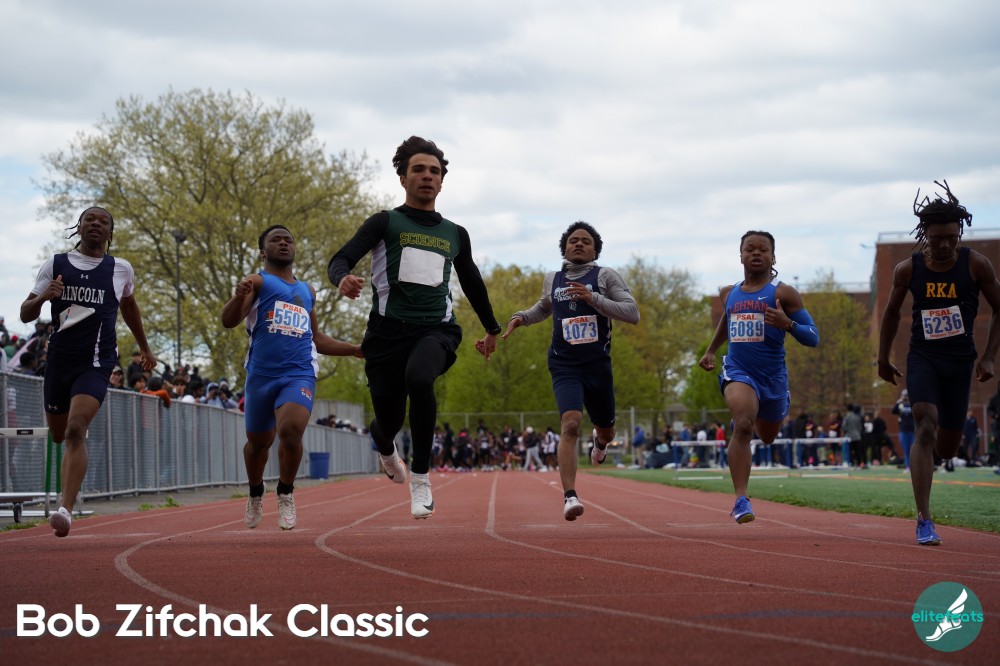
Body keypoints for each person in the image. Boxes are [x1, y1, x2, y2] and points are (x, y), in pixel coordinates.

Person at [326, 136, 501, 520]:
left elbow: (472, 282)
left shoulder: (455, 233)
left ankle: (421, 477)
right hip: (386, 334)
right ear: (403, 178)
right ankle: (386, 447)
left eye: (434, 171)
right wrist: (342, 279)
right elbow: (341, 258)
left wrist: (492, 328)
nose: (427, 176)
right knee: (387, 421)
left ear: (442, 182)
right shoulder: (385, 222)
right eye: (418, 170)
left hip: (436, 330)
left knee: (421, 378)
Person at [19, 206, 156, 537]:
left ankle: (65, 510)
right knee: (59, 434)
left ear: (110, 232)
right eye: (89, 220)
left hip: (96, 361)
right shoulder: (56, 264)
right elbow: (25, 313)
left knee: (76, 429)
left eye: (103, 221)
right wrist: (45, 297)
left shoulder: (120, 268)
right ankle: (67, 493)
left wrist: (145, 347)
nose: (96, 224)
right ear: (78, 228)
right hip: (59, 361)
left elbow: (129, 307)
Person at [877, 180, 1000, 546]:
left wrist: (989, 356)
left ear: (959, 233)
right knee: (925, 426)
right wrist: (882, 358)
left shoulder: (976, 264)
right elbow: (890, 313)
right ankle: (924, 519)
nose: (944, 245)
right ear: (924, 235)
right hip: (923, 357)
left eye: (951, 237)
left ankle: (935, 457)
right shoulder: (908, 269)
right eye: (936, 239)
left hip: (960, 363)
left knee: (946, 449)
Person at [223, 224, 363, 530]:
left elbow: (316, 338)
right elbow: (228, 321)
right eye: (276, 240)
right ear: (263, 251)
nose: (284, 243)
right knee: (258, 444)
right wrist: (237, 298)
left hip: (298, 373)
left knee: (291, 431)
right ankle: (256, 491)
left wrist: (354, 349)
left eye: (289, 240)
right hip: (261, 375)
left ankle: (285, 492)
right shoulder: (257, 282)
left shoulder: (307, 291)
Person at [503, 221, 640, 520]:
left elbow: (632, 313)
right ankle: (570, 496)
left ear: (595, 250)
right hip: (564, 364)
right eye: (573, 240)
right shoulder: (553, 279)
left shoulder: (604, 276)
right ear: (564, 248)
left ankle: (600, 443)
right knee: (570, 424)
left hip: (597, 365)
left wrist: (593, 299)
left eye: (586, 241)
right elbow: (544, 307)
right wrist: (521, 318)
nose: (579, 244)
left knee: (607, 430)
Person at [699, 230, 819, 524]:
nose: (756, 253)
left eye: (763, 249)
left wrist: (788, 324)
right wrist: (711, 350)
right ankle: (741, 499)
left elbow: (813, 337)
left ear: (773, 257)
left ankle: (754, 412)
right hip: (738, 370)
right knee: (743, 425)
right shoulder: (728, 293)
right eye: (749, 249)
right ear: (740, 256)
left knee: (766, 436)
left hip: (773, 377)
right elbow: (728, 319)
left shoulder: (783, 294)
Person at [891, 390, 915, 470]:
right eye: (904, 396)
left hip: (913, 430)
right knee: (906, 450)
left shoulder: (913, 404)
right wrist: (899, 401)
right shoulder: (900, 405)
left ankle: (915, 466)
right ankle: (908, 466)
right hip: (903, 431)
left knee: (914, 450)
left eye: (907, 396)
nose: (906, 397)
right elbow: (893, 411)